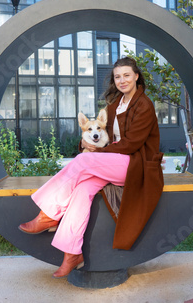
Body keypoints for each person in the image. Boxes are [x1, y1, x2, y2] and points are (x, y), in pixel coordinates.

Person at [18, 56, 164, 278]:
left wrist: (94, 152)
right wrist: (85, 144)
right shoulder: (116, 105)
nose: (122, 80)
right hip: (115, 162)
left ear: (136, 76)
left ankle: (48, 213)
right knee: (81, 190)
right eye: (117, 77)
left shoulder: (144, 105)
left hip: (137, 166)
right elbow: (100, 136)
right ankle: (72, 253)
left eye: (126, 75)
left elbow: (131, 144)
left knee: (83, 160)